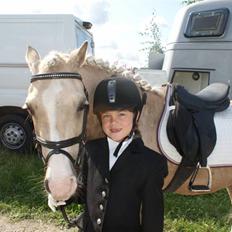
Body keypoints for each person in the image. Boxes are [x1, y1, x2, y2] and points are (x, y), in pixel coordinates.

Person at [78, 76, 168, 232]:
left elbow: (152, 217)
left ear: (136, 116)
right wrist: (63, 196)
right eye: (107, 116)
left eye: (122, 115)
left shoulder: (152, 163)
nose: (114, 123)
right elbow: (83, 192)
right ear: (100, 119)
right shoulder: (90, 150)